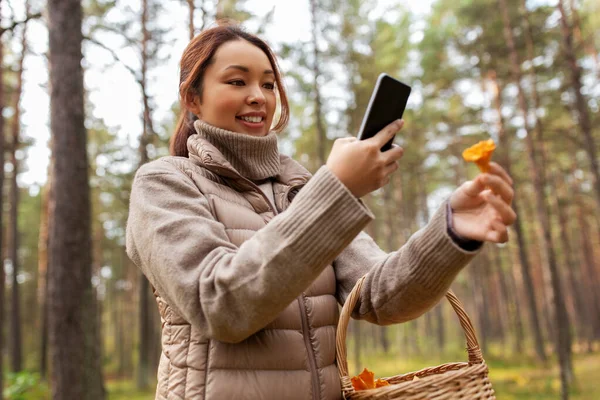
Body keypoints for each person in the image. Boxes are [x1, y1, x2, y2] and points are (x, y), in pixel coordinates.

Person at [125, 22, 515, 400]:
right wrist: (337, 189)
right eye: (237, 81)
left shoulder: (303, 189)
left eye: (268, 83)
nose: (258, 96)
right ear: (193, 98)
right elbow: (221, 307)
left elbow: (379, 296)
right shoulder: (163, 183)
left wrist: (450, 231)